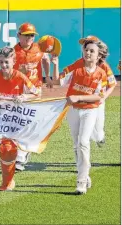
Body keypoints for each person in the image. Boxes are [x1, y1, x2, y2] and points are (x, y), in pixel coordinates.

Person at [53, 39, 109, 194]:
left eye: (92, 51)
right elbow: (58, 81)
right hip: (73, 110)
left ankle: (81, 181)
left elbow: (99, 97)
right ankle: (86, 174)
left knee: (84, 142)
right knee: (77, 144)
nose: (88, 53)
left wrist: (78, 97)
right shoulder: (76, 69)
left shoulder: (101, 74)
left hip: (90, 111)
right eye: (86, 50)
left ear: (98, 56)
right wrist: (55, 64)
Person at [0, 46, 38, 191]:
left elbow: (36, 93)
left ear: (13, 61)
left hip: (14, 121)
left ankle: (7, 183)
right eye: (1, 62)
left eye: (7, 62)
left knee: (8, 148)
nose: (4, 65)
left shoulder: (20, 77)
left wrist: (25, 96)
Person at [61, 36, 116, 148]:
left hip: (97, 99)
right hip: (80, 102)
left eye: (88, 44)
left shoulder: (103, 66)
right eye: (84, 45)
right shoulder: (80, 62)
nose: (85, 47)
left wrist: (104, 97)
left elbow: (112, 84)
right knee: (85, 130)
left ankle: (100, 138)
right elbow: (65, 73)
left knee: (99, 127)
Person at [13, 23, 52, 171]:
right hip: (18, 90)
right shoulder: (13, 51)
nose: (30, 37)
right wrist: (19, 69)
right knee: (19, 122)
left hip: (34, 89)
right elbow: (6, 71)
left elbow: (46, 60)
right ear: (19, 35)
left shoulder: (39, 48)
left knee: (29, 122)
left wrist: (47, 76)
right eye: (26, 34)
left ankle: (21, 155)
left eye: (32, 35)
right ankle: (20, 153)